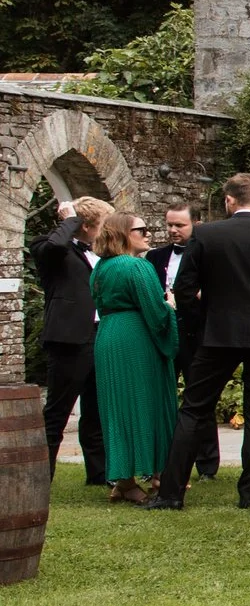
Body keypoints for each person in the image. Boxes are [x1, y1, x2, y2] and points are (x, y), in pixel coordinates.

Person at [151, 176, 250, 511]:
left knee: (195, 407)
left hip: (219, 333)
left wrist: (207, 312)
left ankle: (171, 494)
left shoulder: (207, 234)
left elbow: (184, 288)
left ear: (229, 201)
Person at [87, 212, 176, 504]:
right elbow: (155, 312)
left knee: (117, 406)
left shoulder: (101, 267)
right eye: (142, 229)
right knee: (143, 403)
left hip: (109, 336)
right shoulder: (137, 267)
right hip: (135, 339)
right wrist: (170, 305)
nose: (148, 234)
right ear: (124, 234)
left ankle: (124, 479)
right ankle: (139, 479)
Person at [34, 195, 109, 484]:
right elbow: (54, 245)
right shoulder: (50, 248)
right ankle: (42, 476)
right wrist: (69, 219)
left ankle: (99, 474)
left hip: (99, 336)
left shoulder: (98, 253)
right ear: (87, 226)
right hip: (69, 341)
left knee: (96, 410)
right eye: (102, 225)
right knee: (57, 412)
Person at [145, 203, 214, 482]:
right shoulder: (155, 256)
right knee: (161, 396)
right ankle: (161, 459)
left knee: (200, 400)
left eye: (180, 225)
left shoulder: (209, 254)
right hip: (163, 334)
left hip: (197, 335)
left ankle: (207, 466)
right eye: (170, 224)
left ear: (196, 223)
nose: (173, 230)